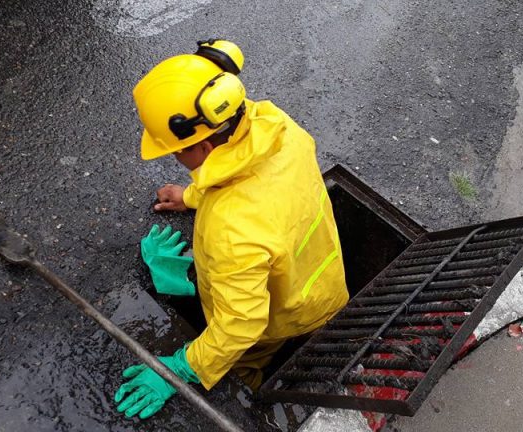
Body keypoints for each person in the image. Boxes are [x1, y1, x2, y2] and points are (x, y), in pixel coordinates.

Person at [113, 39, 349, 420]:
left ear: (204, 146)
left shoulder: (231, 228)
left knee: (241, 370)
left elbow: (241, 327)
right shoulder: (277, 127)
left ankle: (252, 405)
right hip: (322, 280)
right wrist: (192, 196)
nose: (175, 157)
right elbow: (255, 183)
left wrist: (182, 368)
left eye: (176, 150)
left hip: (282, 316)